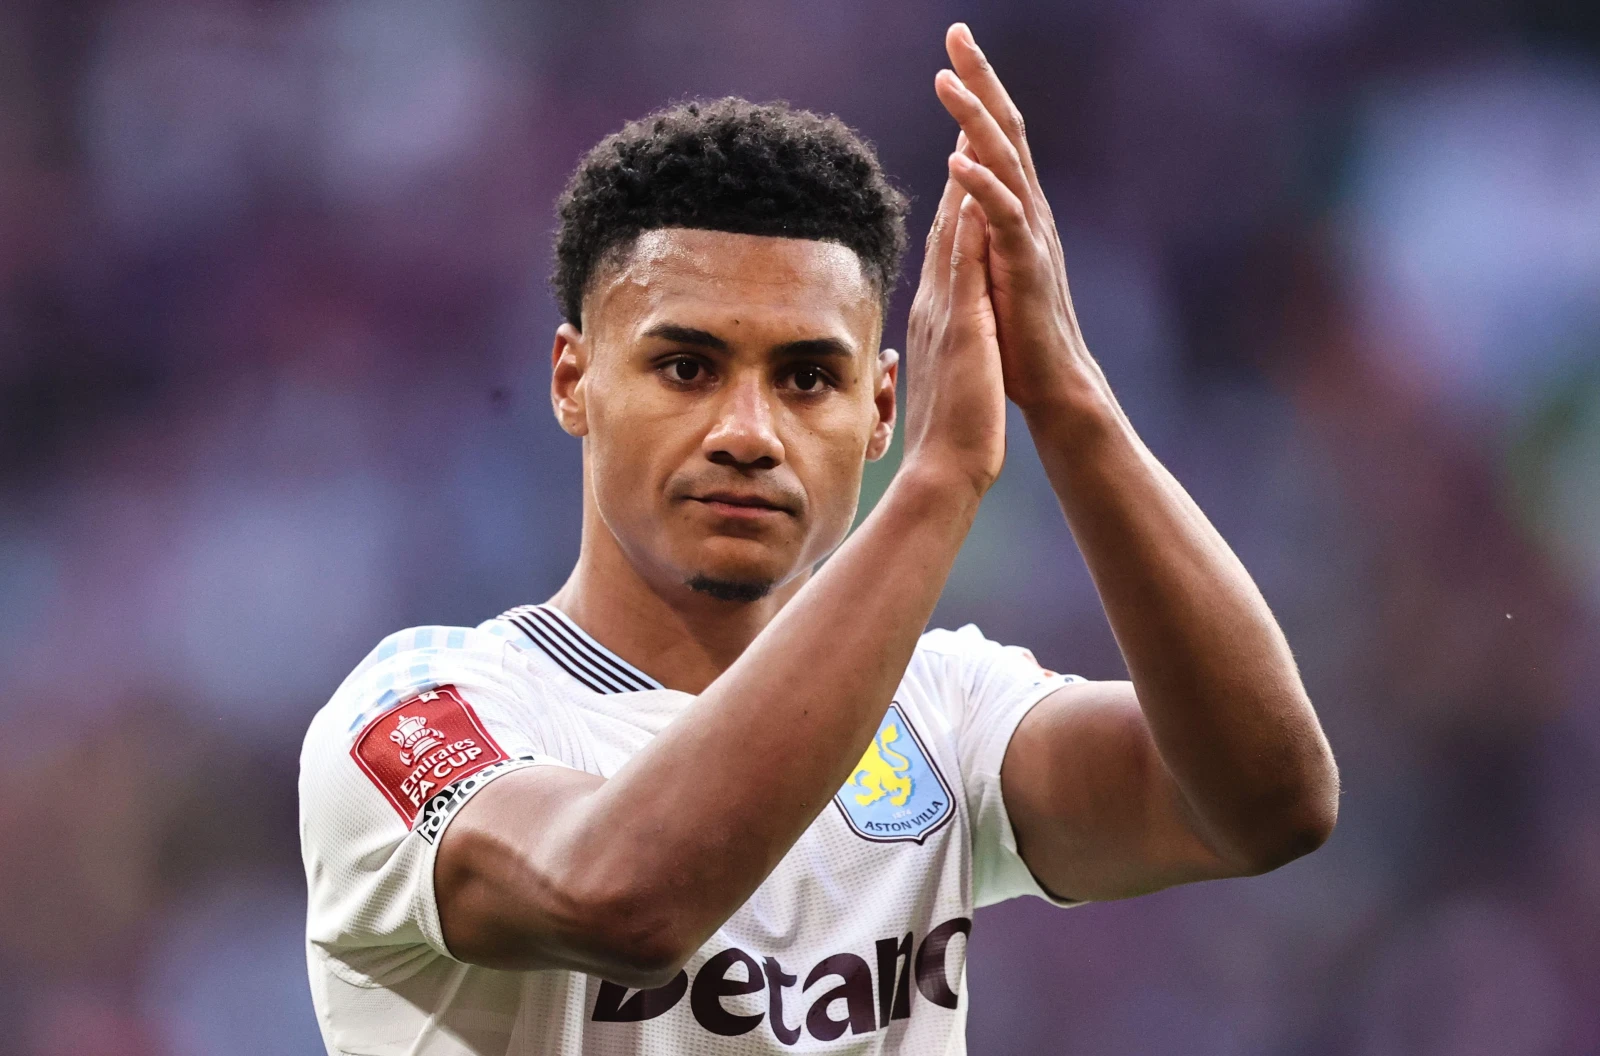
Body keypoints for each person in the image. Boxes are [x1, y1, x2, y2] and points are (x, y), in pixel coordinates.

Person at [298, 22, 1338, 1055]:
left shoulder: (942, 707)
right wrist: (936, 482)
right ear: (575, 380)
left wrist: (1069, 399)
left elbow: (1267, 809)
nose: (748, 433)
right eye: (687, 368)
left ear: (880, 407)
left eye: (807, 378)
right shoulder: (423, 711)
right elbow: (625, 902)